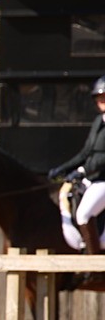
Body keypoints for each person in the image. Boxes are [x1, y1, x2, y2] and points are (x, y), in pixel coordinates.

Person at [48, 75, 105, 255]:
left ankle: (95, 266)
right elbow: (86, 153)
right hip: (94, 179)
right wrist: (64, 168)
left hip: (103, 180)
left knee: (83, 215)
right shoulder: (99, 122)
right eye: (100, 98)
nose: (102, 101)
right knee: (70, 197)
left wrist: (82, 171)